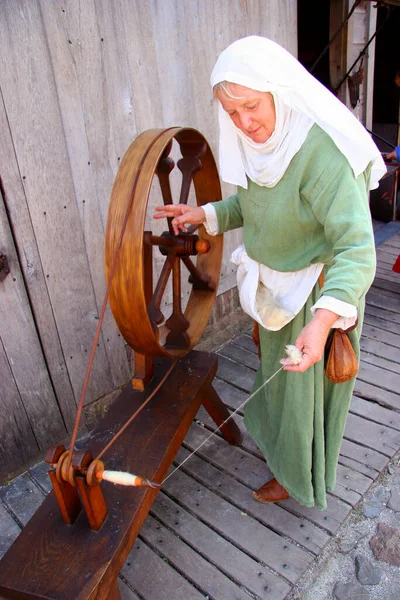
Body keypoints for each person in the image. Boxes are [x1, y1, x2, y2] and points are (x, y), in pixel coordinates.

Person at [154, 36, 386, 510]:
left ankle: (299, 479)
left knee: (304, 405)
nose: (244, 123)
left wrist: (322, 325)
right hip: (275, 296)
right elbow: (254, 204)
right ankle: (286, 462)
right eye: (231, 113)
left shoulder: (320, 155)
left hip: (315, 299)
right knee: (280, 391)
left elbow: (357, 249)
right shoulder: (261, 148)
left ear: (277, 91)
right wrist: (207, 214)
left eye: (252, 107)